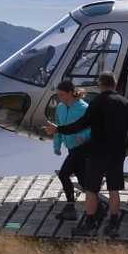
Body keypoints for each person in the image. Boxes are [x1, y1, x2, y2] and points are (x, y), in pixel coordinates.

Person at [43, 73, 128, 237]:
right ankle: (113, 225)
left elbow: (80, 125)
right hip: (117, 153)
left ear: (100, 85)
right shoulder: (126, 103)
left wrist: (58, 129)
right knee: (114, 190)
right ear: (114, 84)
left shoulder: (96, 104)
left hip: (97, 152)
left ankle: (90, 223)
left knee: (91, 190)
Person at [49, 80, 92, 221]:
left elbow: (93, 129)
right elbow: (58, 127)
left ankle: (70, 208)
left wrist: (82, 137)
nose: (59, 97)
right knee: (83, 181)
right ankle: (96, 208)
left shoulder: (84, 108)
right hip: (71, 149)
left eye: (61, 95)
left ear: (70, 93)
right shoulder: (61, 107)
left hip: (82, 149)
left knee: (63, 174)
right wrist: (57, 146)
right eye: (58, 95)